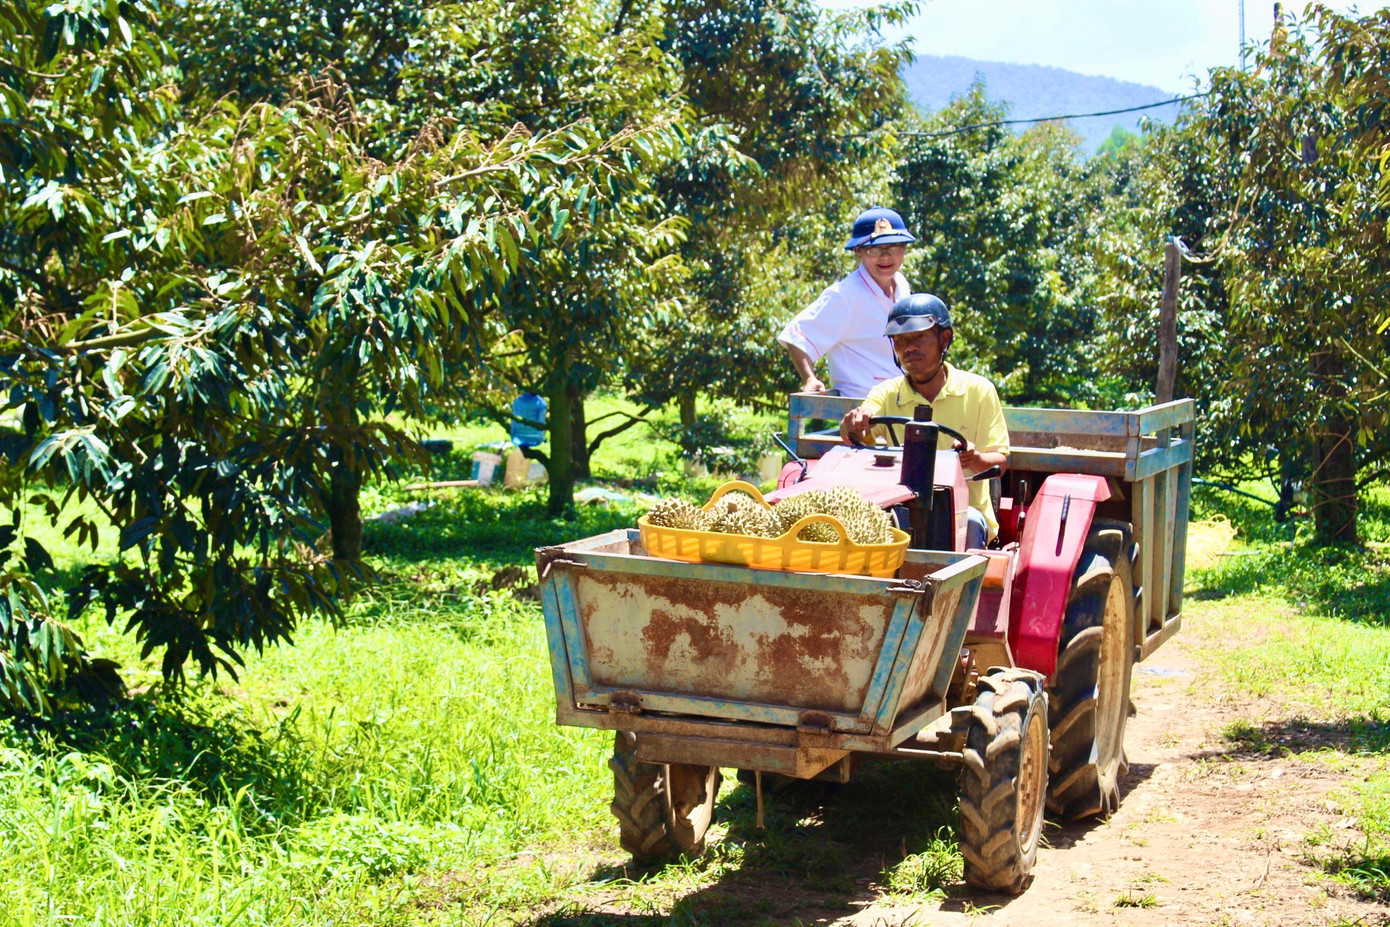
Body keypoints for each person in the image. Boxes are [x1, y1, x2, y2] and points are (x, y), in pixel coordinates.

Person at [840, 294, 1010, 550]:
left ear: (945, 338)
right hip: (900, 508)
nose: (908, 347)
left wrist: (973, 459)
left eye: (919, 336)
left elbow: (1001, 461)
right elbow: (854, 426)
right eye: (900, 340)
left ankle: (966, 589)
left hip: (963, 511)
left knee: (971, 523)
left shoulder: (979, 391)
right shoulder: (886, 392)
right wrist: (853, 422)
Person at [777, 207, 916, 399]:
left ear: (904, 249)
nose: (885, 257)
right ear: (858, 251)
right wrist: (810, 378)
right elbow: (797, 336)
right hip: (861, 409)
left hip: (901, 402)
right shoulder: (844, 295)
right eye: (874, 249)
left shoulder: (901, 284)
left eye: (893, 247)